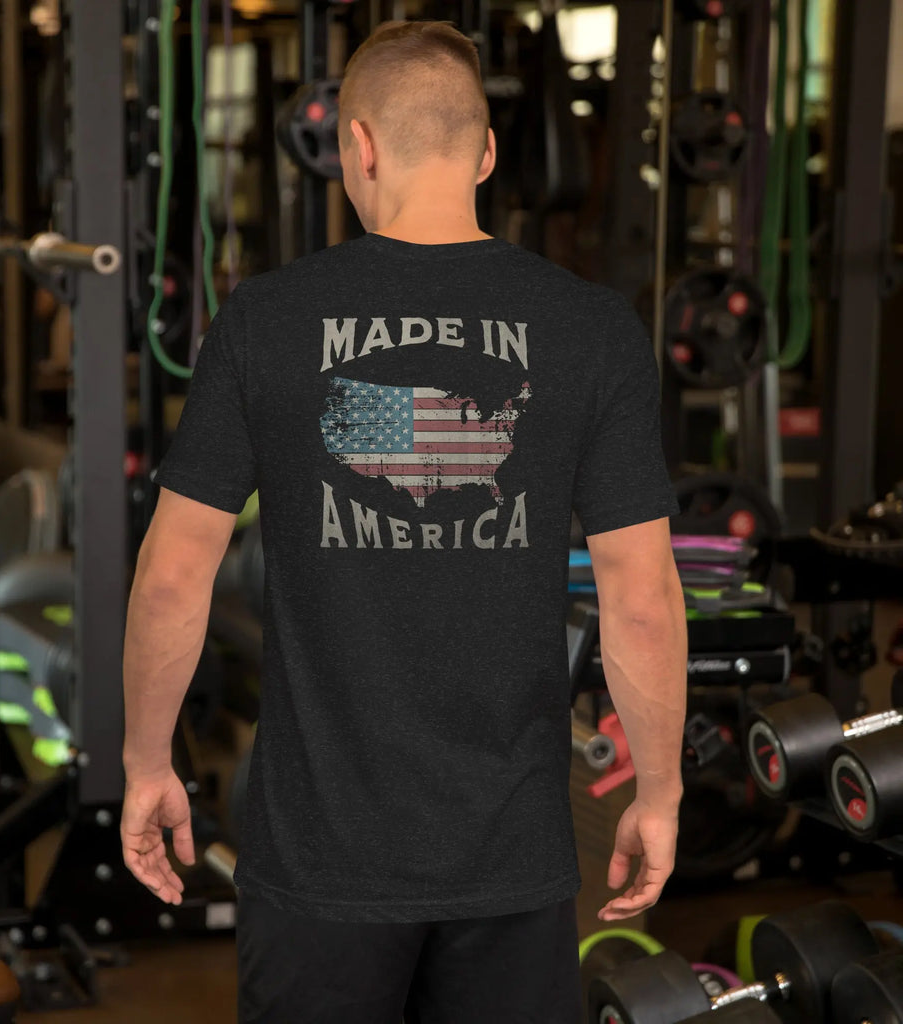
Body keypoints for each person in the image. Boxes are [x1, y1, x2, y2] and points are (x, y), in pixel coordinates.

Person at [120, 20, 687, 1024]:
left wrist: (147, 764)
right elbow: (638, 595)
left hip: (319, 859)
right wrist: (661, 790)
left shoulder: (265, 319)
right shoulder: (590, 328)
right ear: (487, 152)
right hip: (510, 858)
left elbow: (172, 576)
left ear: (357, 146)